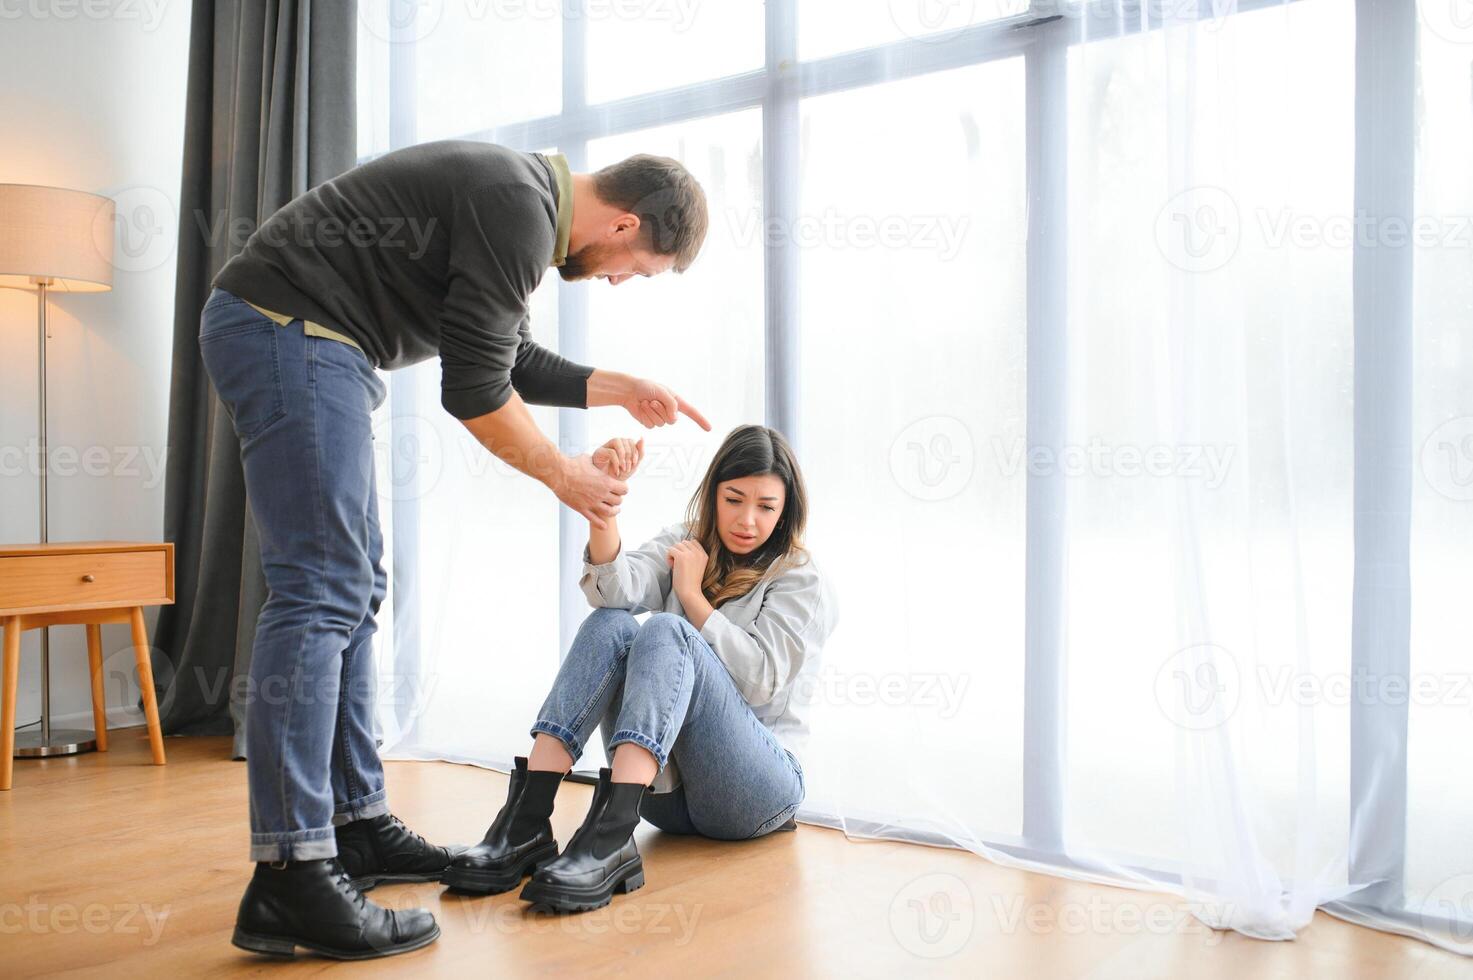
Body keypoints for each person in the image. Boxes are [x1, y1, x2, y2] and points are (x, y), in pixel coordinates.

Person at [203, 140, 710, 960]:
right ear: (622, 222)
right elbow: (473, 390)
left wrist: (623, 387)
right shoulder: (515, 206)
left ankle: (354, 824)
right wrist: (565, 478)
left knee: (353, 588)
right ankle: (291, 872)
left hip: (311, 339)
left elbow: (506, 356)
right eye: (636, 267)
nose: (620, 279)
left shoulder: (521, 201)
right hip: (291, 331)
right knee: (319, 593)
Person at [442, 424, 839, 913]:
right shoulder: (685, 543)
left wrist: (692, 599)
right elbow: (611, 590)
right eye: (734, 499)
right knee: (612, 622)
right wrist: (603, 507)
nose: (747, 520)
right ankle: (527, 822)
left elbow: (759, 682)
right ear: (713, 493)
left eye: (766, 507)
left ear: (786, 511)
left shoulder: (801, 577)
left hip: (754, 797)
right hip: (662, 799)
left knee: (667, 631)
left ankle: (608, 836)